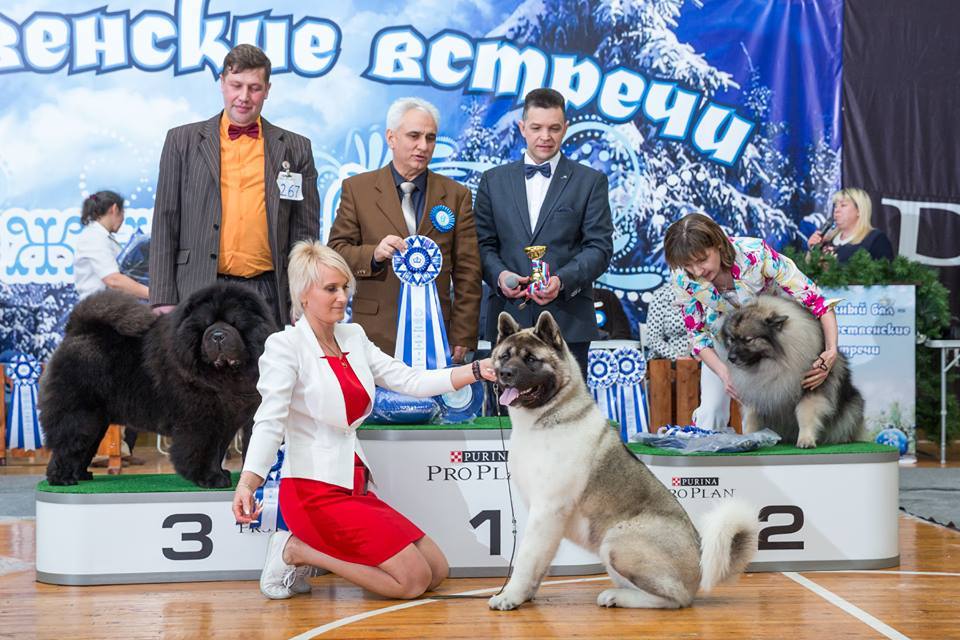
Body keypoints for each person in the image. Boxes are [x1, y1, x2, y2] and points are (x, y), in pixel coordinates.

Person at [232, 241, 495, 601]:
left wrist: (476, 370)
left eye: (345, 287)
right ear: (303, 294)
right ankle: (296, 550)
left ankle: (305, 550)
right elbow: (269, 421)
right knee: (412, 582)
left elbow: (410, 380)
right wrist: (248, 482)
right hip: (312, 492)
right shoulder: (284, 346)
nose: (342, 297)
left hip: (354, 486)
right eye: (331, 289)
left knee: (437, 571)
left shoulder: (353, 336)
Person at [150, 44, 319, 327]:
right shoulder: (181, 141)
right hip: (199, 288)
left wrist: (301, 296)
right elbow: (165, 222)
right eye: (236, 85)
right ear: (222, 84)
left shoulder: (296, 148)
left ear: (267, 90)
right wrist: (162, 297)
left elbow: (304, 232)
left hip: (269, 292)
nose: (244, 97)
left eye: (254, 88)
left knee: (269, 359)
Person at [327, 97, 481, 362]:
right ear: (391, 138)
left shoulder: (457, 195)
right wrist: (374, 254)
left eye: (430, 138)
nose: (423, 146)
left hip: (437, 337)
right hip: (372, 334)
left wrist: (463, 334)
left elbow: (468, 272)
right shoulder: (357, 189)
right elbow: (335, 253)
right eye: (414, 136)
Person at [474, 88, 613, 380]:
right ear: (522, 128)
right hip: (507, 322)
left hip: (567, 324)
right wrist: (500, 276)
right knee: (506, 405)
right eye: (536, 128)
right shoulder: (492, 181)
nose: (545, 136)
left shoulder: (590, 182)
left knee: (567, 406)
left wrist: (561, 281)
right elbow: (481, 245)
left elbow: (599, 248)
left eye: (554, 128)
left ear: (566, 128)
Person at [664, 213, 840, 429]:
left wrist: (831, 350)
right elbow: (697, 336)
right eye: (688, 265)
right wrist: (724, 374)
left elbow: (817, 301)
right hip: (723, 342)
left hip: (770, 342)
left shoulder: (756, 253)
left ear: (718, 244)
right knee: (711, 411)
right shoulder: (682, 277)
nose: (697, 271)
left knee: (769, 415)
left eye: (702, 260)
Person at [74, 191, 149, 301]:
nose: (123, 219)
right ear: (114, 209)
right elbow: (113, 280)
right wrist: (154, 294)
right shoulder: (94, 237)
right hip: (98, 307)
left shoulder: (102, 237)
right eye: (123, 212)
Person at [806, 188, 894, 263]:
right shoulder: (827, 239)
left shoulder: (875, 239)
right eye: (835, 206)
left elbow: (885, 273)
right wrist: (811, 250)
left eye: (843, 205)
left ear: (859, 210)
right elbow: (809, 271)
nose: (836, 210)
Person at [644, 284, 690, 361]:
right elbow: (653, 339)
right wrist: (676, 357)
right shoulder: (662, 294)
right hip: (669, 361)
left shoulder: (705, 292)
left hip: (704, 357)